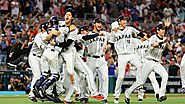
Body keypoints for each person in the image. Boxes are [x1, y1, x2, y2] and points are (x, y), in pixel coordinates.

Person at [124, 21, 172, 104]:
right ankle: (127, 93)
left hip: (157, 62)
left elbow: (170, 49)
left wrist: (166, 41)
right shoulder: (153, 37)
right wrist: (162, 42)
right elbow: (153, 45)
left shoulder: (164, 39)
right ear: (157, 31)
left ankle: (161, 95)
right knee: (141, 82)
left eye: (164, 29)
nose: (163, 31)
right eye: (161, 29)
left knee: (165, 75)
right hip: (148, 61)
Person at [109, 15, 147, 104]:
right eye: (123, 20)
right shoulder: (114, 32)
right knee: (121, 76)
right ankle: (116, 96)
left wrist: (145, 37)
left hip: (131, 53)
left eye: (125, 20)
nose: (125, 21)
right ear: (119, 22)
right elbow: (111, 43)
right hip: (121, 55)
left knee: (140, 66)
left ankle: (139, 88)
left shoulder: (130, 29)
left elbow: (139, 34)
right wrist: (107, 46)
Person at [85, 17, 110, 104]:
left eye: (101, 23)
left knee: (104, 78)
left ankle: (104, 97)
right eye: (98, 23)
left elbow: (112, 41)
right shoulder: (89, 34)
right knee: (88, 78)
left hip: (101, 58)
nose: (100, 25)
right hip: (91, 58)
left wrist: (109, 45)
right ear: (94, 24)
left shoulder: (105, 34)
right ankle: (85, 96)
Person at [28, 21, 49, 102]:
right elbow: (42, 46)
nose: (49, 30)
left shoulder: (49, 35)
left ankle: (39, 93)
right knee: (37, 75)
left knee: (44, 75)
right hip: (34, 57)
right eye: (47, 28)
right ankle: (31, 94)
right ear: (43, 29)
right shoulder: (38, 36)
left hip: (42, 58)